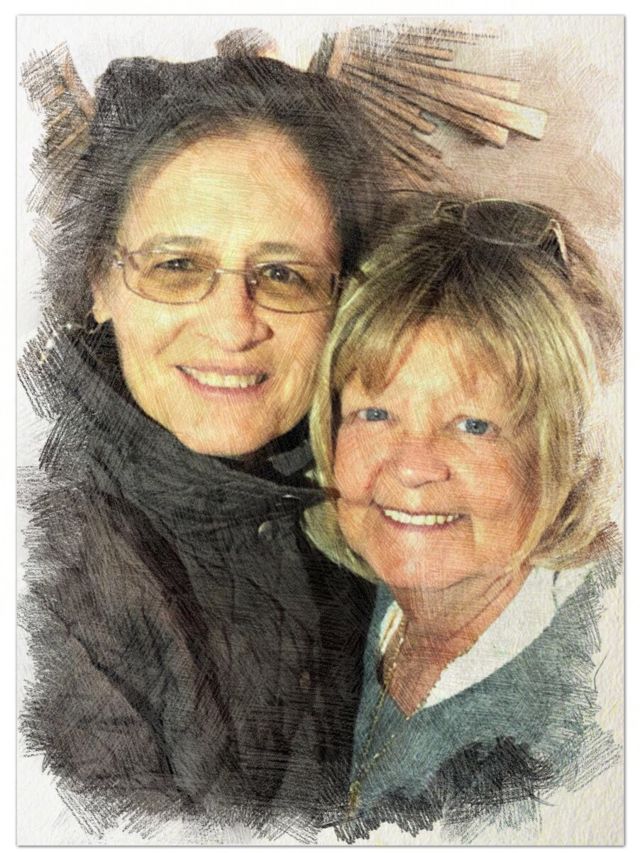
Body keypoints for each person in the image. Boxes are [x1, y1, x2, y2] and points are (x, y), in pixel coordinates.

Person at [19, 55, 384, 836]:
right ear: (98, 281)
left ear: (342, 299)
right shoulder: (46, 578)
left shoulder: (364, 514)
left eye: (283, 274)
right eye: (178, 266)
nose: (233, 325)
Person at [305, 197, 622, 839]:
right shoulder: (354, 607)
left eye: (473, 425)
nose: (413, 467)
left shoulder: (593, 716)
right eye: (375, 413)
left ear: (561, 456)